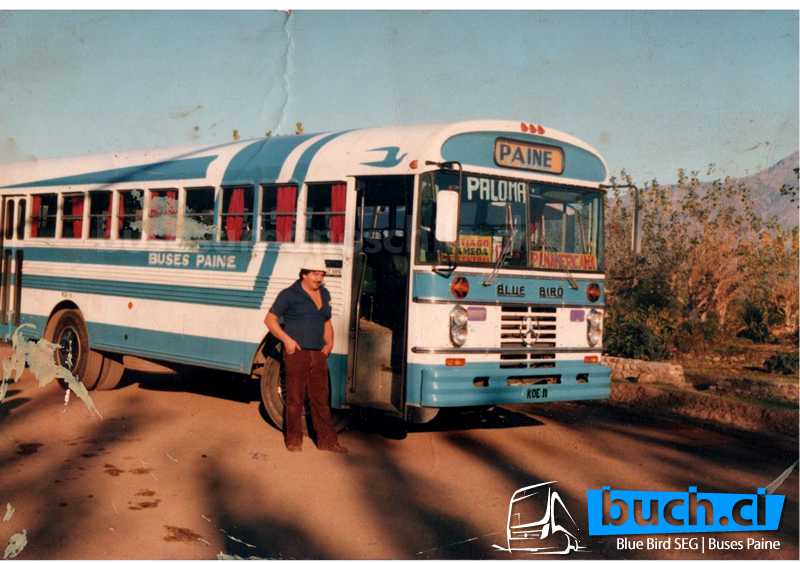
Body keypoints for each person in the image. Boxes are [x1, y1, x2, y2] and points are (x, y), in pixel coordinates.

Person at [264, 254, 348, 454]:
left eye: (321, 274)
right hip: (297, 353)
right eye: (314, 274)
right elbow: (270, 320)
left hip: (318, 353)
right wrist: (287, 340)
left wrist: (330, 342)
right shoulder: (289, 294)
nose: (318, 278)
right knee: (294, 399)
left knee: (321, 399)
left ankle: (328, 441)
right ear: (303, 274)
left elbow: (327, 321)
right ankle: (294, 441)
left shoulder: (325, 294)